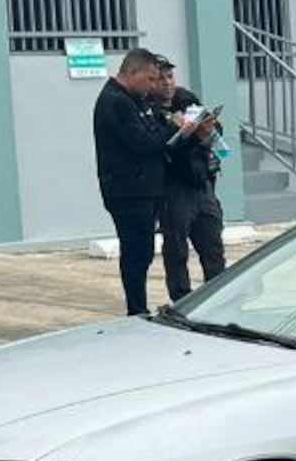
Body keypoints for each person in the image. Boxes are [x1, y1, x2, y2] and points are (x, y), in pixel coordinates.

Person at [92, 49, 203, 317]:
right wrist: (175, 128)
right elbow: (144, 142)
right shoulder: (115, 101)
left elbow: (155, 133)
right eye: (150, 79)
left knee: (143, 251)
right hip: (129, 191)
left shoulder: (136, 100)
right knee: (136, 252)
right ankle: (137, 308)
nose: (154, 85)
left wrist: (177, 130)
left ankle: (139, 306)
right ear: (133, 73)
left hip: (147, 189)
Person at [152, 58, 229, 301]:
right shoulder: (149, 108)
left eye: (170, 77)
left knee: (213, 244)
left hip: (202, 182)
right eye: (161, 78)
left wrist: (209, 132)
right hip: (174, 186)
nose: (167, 83)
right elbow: (160, 147)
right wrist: (180, 133)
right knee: (176, 248)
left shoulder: (186, 99)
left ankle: (217, 297)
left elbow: (212, 130)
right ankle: (181, 299)